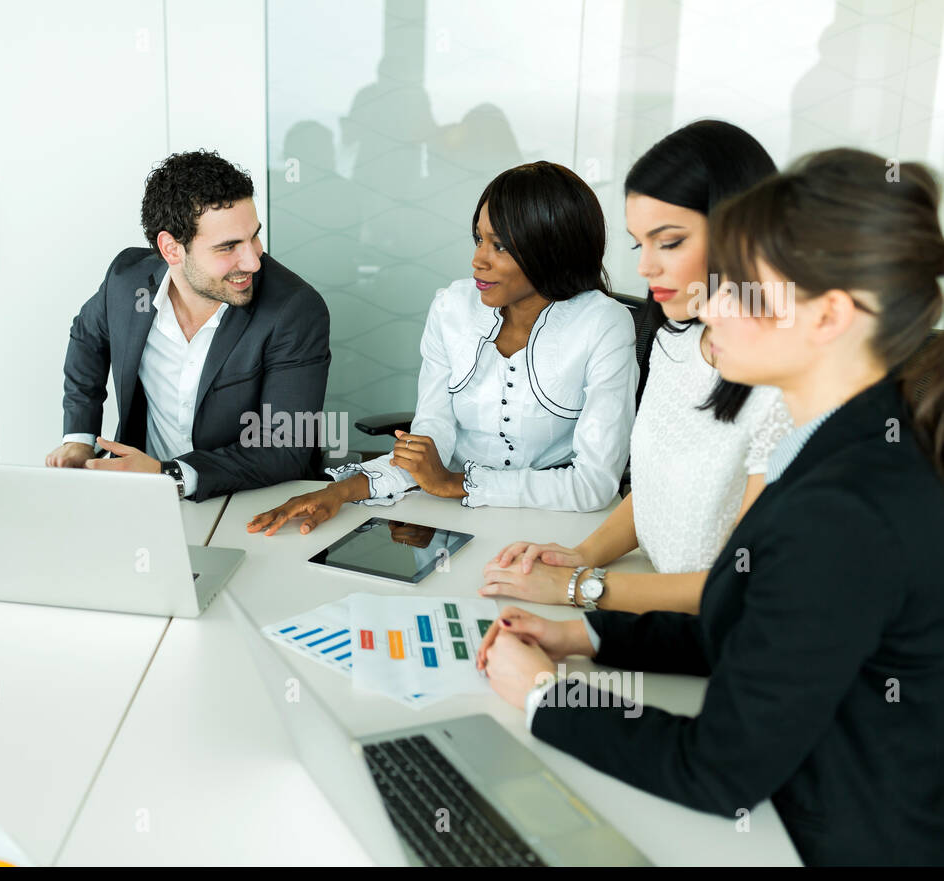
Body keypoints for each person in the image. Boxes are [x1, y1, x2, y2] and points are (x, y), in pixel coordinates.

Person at [477, 148, 944, 865]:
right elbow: (760, 631)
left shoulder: (847, 508)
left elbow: (718, 770)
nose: (712, 304)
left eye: (743, 289)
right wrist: (589, 639)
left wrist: (545, 696)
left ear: (829, 317)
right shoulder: (828, 448)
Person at [481, 121, 793, 614]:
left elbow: (738, 583)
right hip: (648, 594)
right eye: (637, 244)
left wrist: (581, 588)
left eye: (668, 242)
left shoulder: (790, 382)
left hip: (715, 629)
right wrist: (581, 555)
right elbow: (655, 486)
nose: (645, 268)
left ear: (742, 231)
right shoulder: (677, 334)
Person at [247, 161, 637, 536]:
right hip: (448, 518)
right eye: (479, 239)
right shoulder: (453, 308)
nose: (477, 260)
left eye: (500, 246)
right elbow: (432, 434)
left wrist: (456, 483)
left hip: (558, 527)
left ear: (551, 249)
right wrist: (341, 493)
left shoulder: (604, 324)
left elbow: (594, 483)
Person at [47, 150, 331, 502]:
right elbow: (86, 338)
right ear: (172, 249)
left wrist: (169, 476)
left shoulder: (293, 310)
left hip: (251, 501)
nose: (253, 261)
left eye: (253, 237)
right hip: (142, 499)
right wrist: (79, 440)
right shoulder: (126, 281)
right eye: (228, 247)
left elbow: (286, 450)